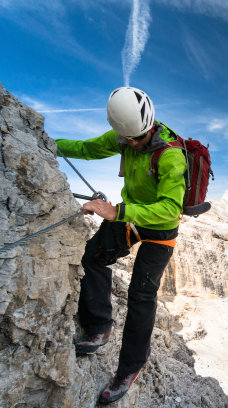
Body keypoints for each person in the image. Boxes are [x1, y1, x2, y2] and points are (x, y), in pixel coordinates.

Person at [54, 87, 186, 405]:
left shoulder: (170, 154)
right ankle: (99, 325)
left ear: (148, 127)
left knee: (141, 296)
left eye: (137, 139)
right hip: (131, 216)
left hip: (159, 229)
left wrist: (116, 212)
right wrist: (49, 143)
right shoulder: (124, 135)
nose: (132, 145)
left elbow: (171, 209)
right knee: (92, 257)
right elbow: (87, 148)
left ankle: (128, 369)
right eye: (127, 140)